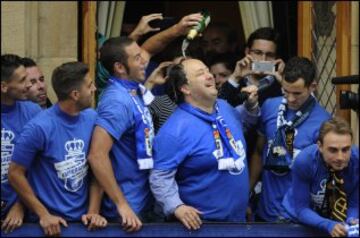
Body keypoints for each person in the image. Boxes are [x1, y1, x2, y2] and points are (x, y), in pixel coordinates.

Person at [87, 13, 204, 232]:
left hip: (145, 201)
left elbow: (150, 49)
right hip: (127, 212)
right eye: (137, 58)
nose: (144, 61)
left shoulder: (131, 87)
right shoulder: (116, 101)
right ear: (120, 67)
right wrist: (122, 205)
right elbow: (97, 155)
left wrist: (178, 29)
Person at [149, 58, 260, 230]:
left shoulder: (224, 107)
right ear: (185, 88)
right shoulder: (174, 130)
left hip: (238, 222)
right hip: (201, 227)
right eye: (200, 74)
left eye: (207, 71)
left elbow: (242, 124)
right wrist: (176, 207)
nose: (209, 76)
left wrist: (251, 107)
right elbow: (159, 177)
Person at [8, 62, 107, 236]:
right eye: (90, 85)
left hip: (83, 223)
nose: (94, 88)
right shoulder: (39, 127)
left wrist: (93, 211)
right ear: (75, 94)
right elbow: (15, 173)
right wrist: (43, 214)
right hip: (47, 226)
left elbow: (98, 169)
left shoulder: (92, 118)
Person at [251, 56, 332, 222]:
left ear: (313, 87)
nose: (290, 99)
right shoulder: (269, 106)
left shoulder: (324, 122)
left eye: (297, 93)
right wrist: (246, 195)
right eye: (285, 91)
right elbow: (259, 152)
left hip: (299, 217)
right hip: (265, 212)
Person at [281, 117, 359, 237]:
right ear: (320, 146)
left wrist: (352, 219)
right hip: (297, 220)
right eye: (333, 150)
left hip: (334, 222)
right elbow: (302, 209)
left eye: (345, 149)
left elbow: (354, 204)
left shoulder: (356, 162)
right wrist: (328, 225)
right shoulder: (305, 161)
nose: (340, 157)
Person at [1, 54, 42, 234]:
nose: (29, 85)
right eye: (23, 80)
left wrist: (21, 205)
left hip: (24, 214)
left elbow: (41, 167)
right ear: (3, 86)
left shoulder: (34, 112)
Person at [218, 27, 284, 107]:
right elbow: (219, 108)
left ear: (276, 58)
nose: (263, 59)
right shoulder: (237, 81)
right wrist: (235, 77)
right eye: (258, 53)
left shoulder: (280, 84)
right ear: (247, 52)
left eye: (269, 55)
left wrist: (283, 83)